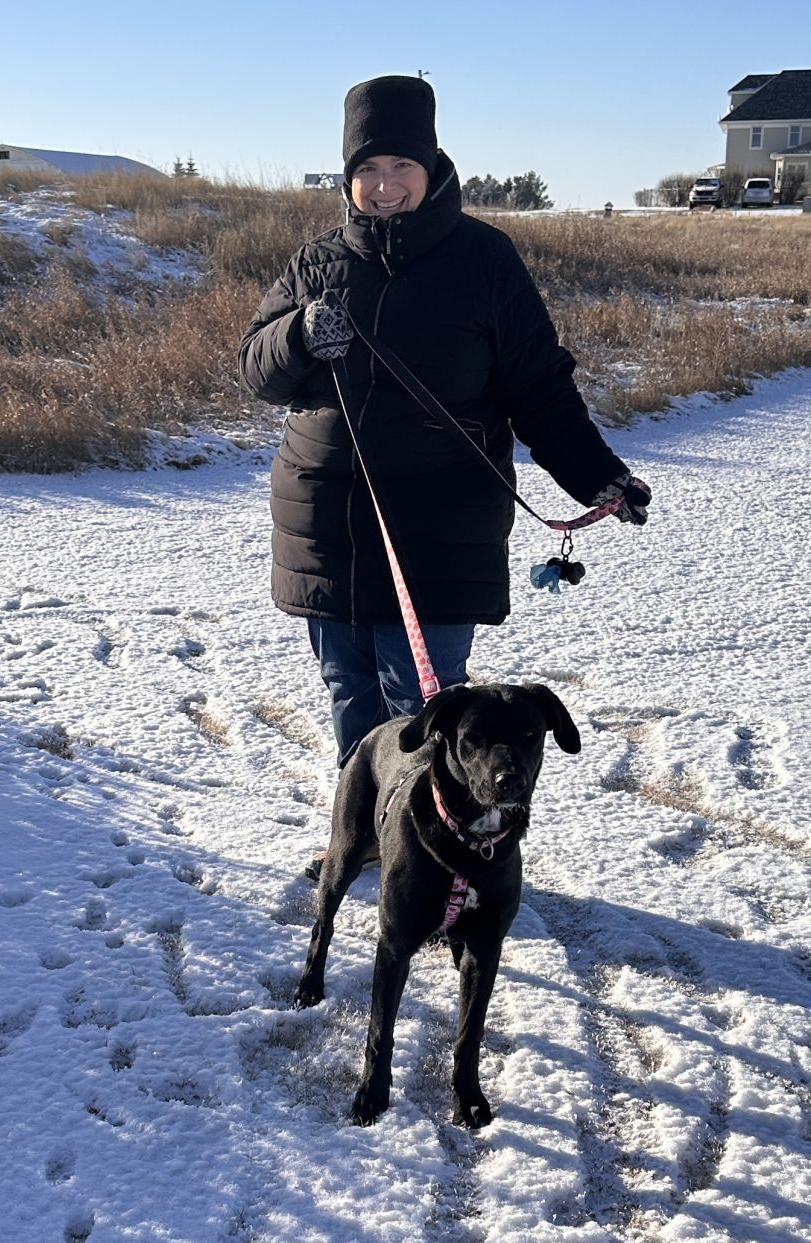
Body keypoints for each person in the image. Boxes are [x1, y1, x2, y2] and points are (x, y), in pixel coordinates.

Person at [239, 74, 650, 790]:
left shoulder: (484, 262)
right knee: (350, 692)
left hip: (439, 524)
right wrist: (299, 335)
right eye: (367, 169)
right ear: (348, 177)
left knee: (426, 704)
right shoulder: (316, 263)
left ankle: (431, 847)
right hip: (327, 527)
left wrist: (599, 476)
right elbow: (256, 369)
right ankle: (364, 830)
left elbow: (539, 388)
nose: (385, 185)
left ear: (432, 166)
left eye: (401, 166)